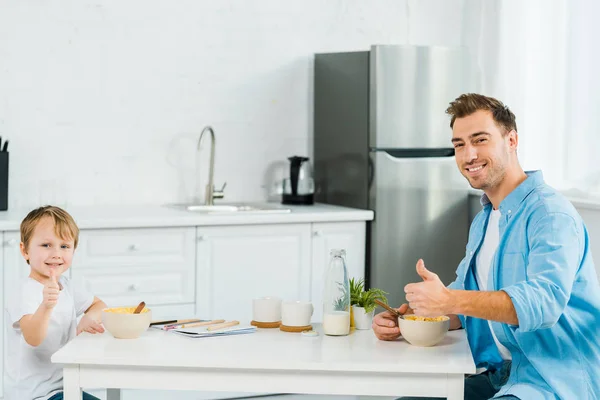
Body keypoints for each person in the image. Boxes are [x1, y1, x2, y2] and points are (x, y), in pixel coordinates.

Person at [373, 93, 600, 400]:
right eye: (459, 144)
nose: (469, 155)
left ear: (511, 140)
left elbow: (543, 303)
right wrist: (412, 320)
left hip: (552, 382)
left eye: (480, 140)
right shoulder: (485, 219)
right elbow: (466, 310)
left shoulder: (550, 214)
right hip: (501, 375)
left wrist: (449, 299)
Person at [5, 206, 107, 400]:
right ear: (24, 250)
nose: (56, 253)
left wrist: (87, 319)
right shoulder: (23, 292)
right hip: (34, 395)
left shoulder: (67, 287)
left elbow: (99, 305)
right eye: (46, 245)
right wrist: (46, 306)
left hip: (66, 387)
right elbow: (33, 338)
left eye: (64, 246)